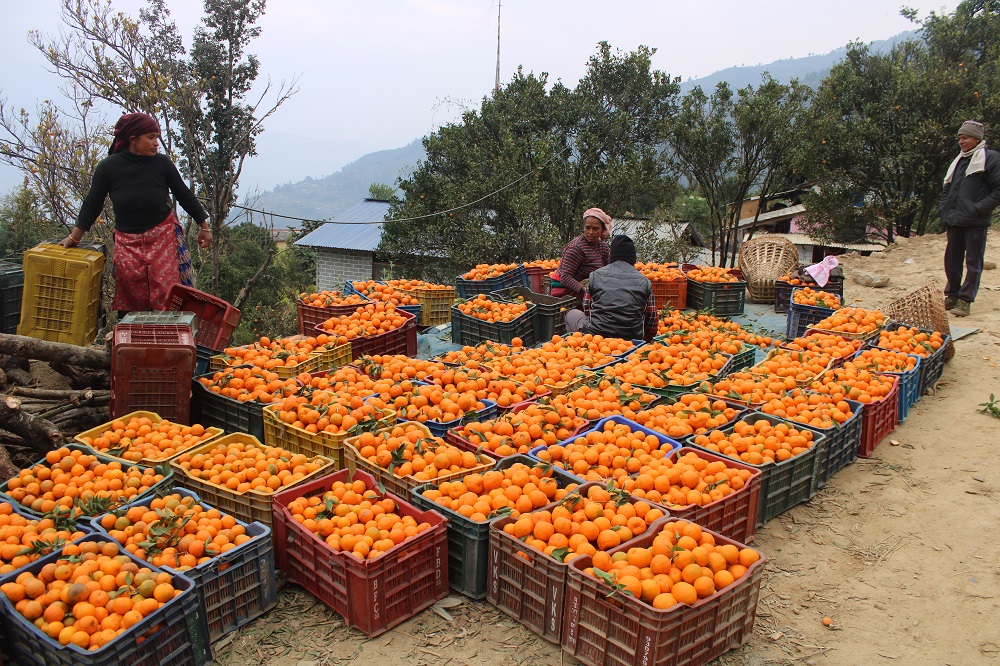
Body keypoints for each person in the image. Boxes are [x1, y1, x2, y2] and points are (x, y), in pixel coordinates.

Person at [60, 112, 212, 316]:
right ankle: (133, 342)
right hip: (127, 242)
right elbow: (92, 203)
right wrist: (74, 237)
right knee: (131, 298)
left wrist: (204, 226)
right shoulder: (109, 168)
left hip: (162, 238)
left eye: (157, 137)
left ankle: (168, 341)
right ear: (133, 139)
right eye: (150, 137)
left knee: (167, 296)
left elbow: (184, 195)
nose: (156, 143)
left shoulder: (162, 164)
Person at [939, 120, 1000, 317]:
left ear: (976, 138)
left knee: (973, 261)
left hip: (975, 220)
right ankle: (952, 294)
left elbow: (997, 191)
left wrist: (978, 209)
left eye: (964, 137)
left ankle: (966, 299)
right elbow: (948, 188)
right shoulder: (959, 160)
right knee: (952, 259)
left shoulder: (990, 159)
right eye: (959, 138)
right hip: (955, 218)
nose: (961, 141)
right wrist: (944, 209)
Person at [564, 235, 657, 342]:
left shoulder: (596, 275)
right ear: (633, 260)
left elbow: (587, 307)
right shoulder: (644, 281)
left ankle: (578, 347)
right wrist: (646, 339)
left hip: (597, 337)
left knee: (572, 314)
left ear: (611, 257)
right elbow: (651, 318)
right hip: (631, 338)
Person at [549, 207, 611, 300]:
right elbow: (565, 277)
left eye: (595, 228)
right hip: (566, 291)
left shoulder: (603, 247)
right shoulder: (576, 248)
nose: (591, 232)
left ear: (602, 229)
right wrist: (583, 289)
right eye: (587, 228)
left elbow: (608, 270)